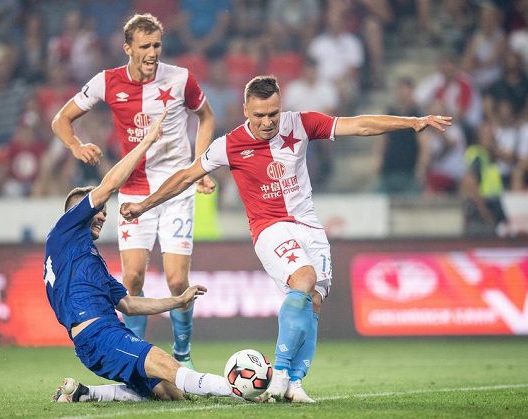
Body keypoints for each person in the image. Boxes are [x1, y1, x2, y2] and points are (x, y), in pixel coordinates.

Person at [120, 75, 451, 403]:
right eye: (260, 115)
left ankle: (294, 383)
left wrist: (410, 122)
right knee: (304, 279)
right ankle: (278, 375)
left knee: (316, 301)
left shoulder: (301, 124)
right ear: (246, 111)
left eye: (273, 114)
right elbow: (184, 177)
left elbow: (359, 125)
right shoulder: (229, 144)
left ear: (282, 107)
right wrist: (143, 206)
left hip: (309, 227)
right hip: (269, 228)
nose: (267, 122)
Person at [51, 13, 216, 369]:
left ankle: (183, 355)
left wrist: (201, 165)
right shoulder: (106, 82)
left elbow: (207, 117)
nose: (153, 52)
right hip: (134, 190)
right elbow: (60, 119)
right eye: (145, 46)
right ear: (128, 48)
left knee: (176, 279)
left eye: (157, 44)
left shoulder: (181, 79)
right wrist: (76, 145)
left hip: (176, 188)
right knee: (133, 279)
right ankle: (140, 353)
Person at [45, 112, 231, 403]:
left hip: (97, 339)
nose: (102, 215)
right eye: (97, 209)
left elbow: (129, 304)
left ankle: (85, 394)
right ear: (74, 214)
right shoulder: (64, 231)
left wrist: (177, 301)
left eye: (103, 212)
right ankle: (245, 388)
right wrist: (146, 142)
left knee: (171, 393)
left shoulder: (85, 259)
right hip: (99, 335)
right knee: (172, 368)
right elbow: (107, 186)